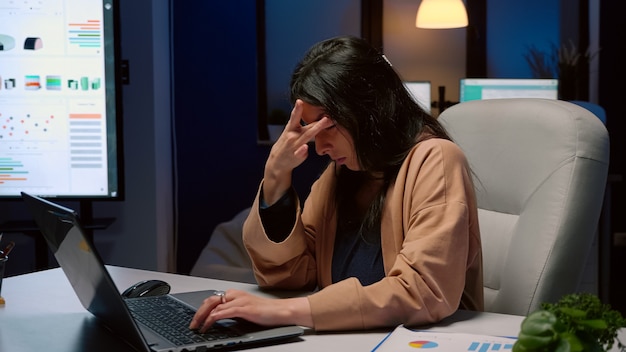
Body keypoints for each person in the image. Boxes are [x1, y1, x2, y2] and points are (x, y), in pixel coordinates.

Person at [190, 35, 483, 332]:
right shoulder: (343, 173)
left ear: (371, 108)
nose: (319, 147)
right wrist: (276, 179)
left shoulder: (436, 159)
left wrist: (283, 311)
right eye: (310, 127)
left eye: (326, 124)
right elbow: (291, 276)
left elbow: (421, 291)